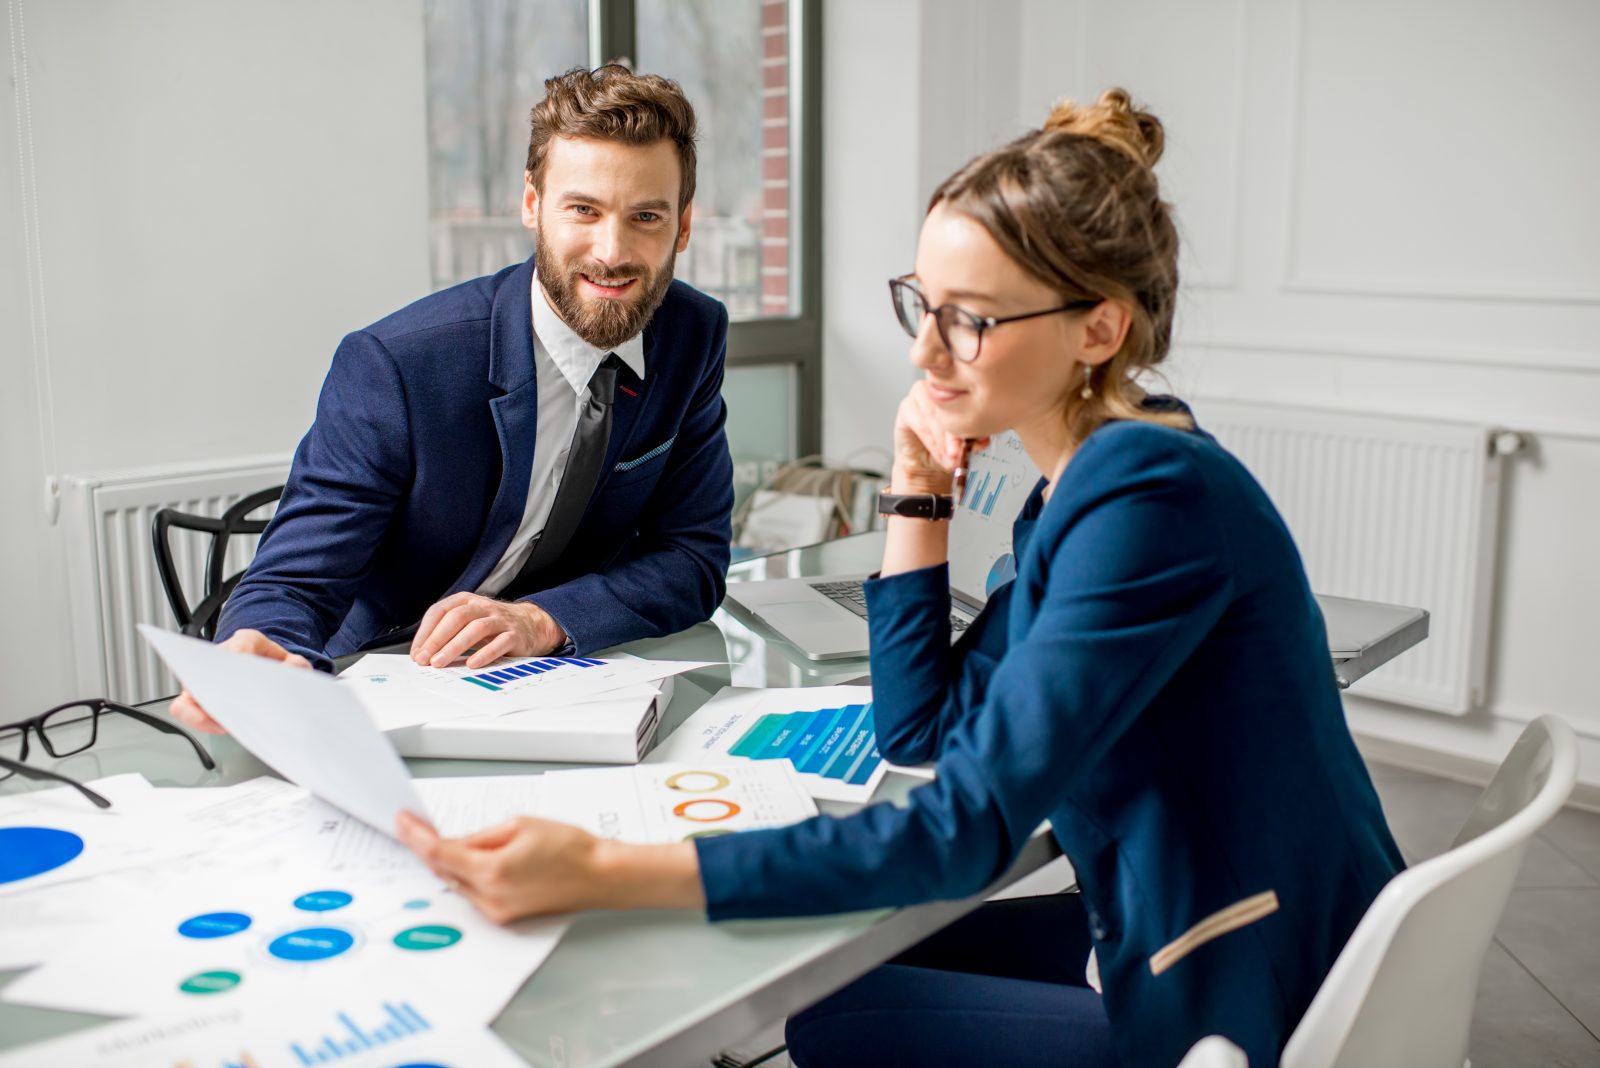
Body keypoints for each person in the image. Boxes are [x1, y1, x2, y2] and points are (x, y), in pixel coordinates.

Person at [394, 89, 1405, 1067]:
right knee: (836, 974)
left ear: (1097, 329)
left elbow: (962, 831)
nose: (923, 350)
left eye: (968, 320)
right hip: (1170, 913)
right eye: (923, 304)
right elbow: (922, 728)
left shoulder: (1148, 502)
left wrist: (605, 870)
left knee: (833, 1016)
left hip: (1246, 981)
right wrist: (916, 492)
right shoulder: (1088, 483)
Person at [172, 66, 734, 732]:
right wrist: (265, 645)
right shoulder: (400, 364)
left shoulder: (691, 334)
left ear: (684, 224)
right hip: (398, 675)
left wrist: (544, 620)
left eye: (646, 216)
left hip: (572, 683)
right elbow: (293, 583)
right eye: (583, 210)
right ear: (533, 204)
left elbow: (693, 558)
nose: (612, 252)